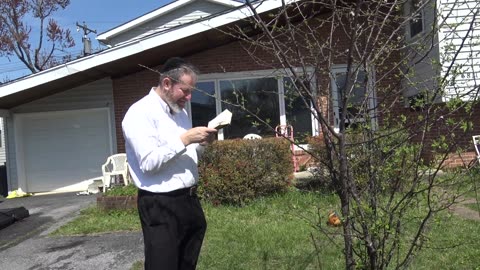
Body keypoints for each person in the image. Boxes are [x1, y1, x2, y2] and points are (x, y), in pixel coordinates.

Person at [122, 57, 217, 270]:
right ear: (167, 83)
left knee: (186, 264)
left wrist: (202, 143)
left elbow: (186, 156)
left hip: (189, 200)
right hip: (160, 204)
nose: (189, 97)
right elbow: (148, 162)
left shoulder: (180, 113)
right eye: (185, 90)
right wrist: (185, 139)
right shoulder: (139, 113)